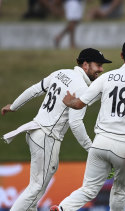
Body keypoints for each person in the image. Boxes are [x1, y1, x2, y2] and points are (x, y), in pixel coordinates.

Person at [49, 38, 125, 211]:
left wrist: (70, 101)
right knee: (120, 191)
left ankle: (62, 208)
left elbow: (79, 104)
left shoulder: (106, 77)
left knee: (88, 189)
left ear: (121, 55)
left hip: (100, 143)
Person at [1, 48, 112, 211]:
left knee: (36, 189)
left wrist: (15, 106)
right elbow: (76, 124)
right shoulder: (82, 87)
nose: (101, 69)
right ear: (86, 64)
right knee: (36, 188)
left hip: (34, 132)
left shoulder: (61, 72)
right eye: (98, 65)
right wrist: (92, 150)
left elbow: (34, 90)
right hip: (47, 137)